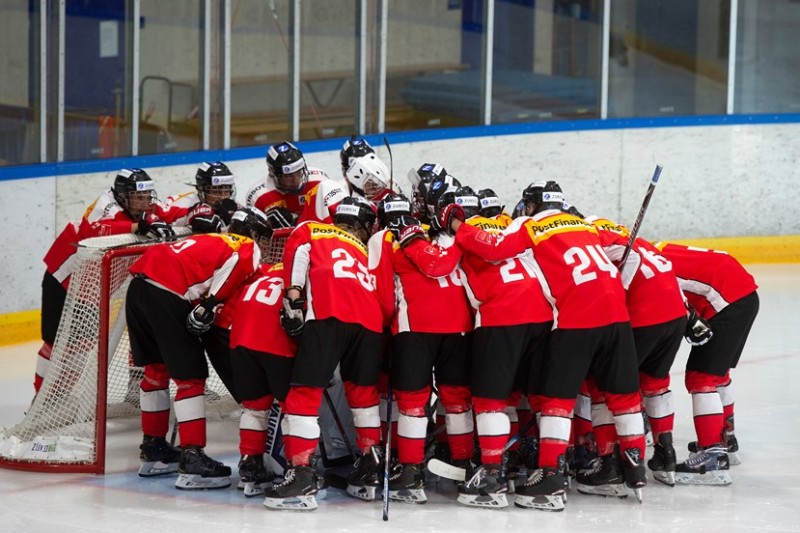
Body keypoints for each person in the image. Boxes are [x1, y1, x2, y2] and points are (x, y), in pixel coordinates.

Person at [441, 180, 647, 511]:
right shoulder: (585, 224)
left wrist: (454, 224)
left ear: (532, 206)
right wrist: (612, 290)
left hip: (575, 319)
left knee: (555, 400)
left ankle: (550, 478)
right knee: (623, 396)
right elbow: (628, 254)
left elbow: (494, 248)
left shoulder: (533, 224)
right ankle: (631, 470)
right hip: (616, 316)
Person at [409, 184, 553, 508]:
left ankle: (491, 476)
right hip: (542, 314)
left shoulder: (461, 235)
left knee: (490, 402)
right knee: (529, 398)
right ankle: (541, 465)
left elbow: (440, 267)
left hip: (502, 316)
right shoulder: (507, 223)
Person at [125, 207, 268, 489]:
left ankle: (153, 448)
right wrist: (210, 306)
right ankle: (192, 458)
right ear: (252, 233)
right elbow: (237, 268)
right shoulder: (245, 245)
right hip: (168, 293)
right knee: (190, 378)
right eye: (263, 238)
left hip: (138, 288)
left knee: (156, 371)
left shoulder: (213, 240)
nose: (263, 245)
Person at [264, 196, 383, 511]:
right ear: (362, 225)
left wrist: (293, 298)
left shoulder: (313, 229)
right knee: (364, 395)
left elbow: (298, 254)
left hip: (329, 315)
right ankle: (371, 467)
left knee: (304, 394)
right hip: (370, 323)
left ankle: (301, 475)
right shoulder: (365, 249)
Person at [368, 193, 474, 504]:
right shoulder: (444, 237)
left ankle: (410, 472)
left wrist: (385, 329)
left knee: (413, 401)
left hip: (415, 327)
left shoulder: (384, 240)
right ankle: (464, 463)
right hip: (460, 326)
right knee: (456, 399)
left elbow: (383, 293)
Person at [34, 169, 176, 395]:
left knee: (81, 348)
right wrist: (138, 227)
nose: (144, 202)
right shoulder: (106, 205)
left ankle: (59, 398)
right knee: (56, 346)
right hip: (62, 280)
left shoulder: (145, 209)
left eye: (147, 196)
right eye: (138, 197)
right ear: (122, 196)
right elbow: (93, 230)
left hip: (92, 289)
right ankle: (41, 398)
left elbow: (165, 213)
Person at [575, 215, 688, 493]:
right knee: (655, 383)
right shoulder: (624, 233)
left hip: (641, 316)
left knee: (606, 386)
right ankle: (665, 455)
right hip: (675, 312)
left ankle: (610, 463)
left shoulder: (588, 236)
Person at [655, 241, 759, 485]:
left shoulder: (641, 267)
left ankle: (712, 457)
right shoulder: (655, 250)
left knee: (701, 378)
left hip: (726, 302)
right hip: (744, 295)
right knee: (718, 374)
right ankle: (726, 439)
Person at [246, 140, 348, 225]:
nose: (296, 180)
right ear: (272, 173)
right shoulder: (257, 196)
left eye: (299, 172)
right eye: (288, 176)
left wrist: (295, 221)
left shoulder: (319, 180)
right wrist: (269, 225)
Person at [164, 161, 240, 233]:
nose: (223, 197)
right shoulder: (182, 207)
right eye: (217, 192)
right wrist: (190, 229)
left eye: (226, 191)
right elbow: (160, 233)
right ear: (202, 190)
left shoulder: (233, 207)